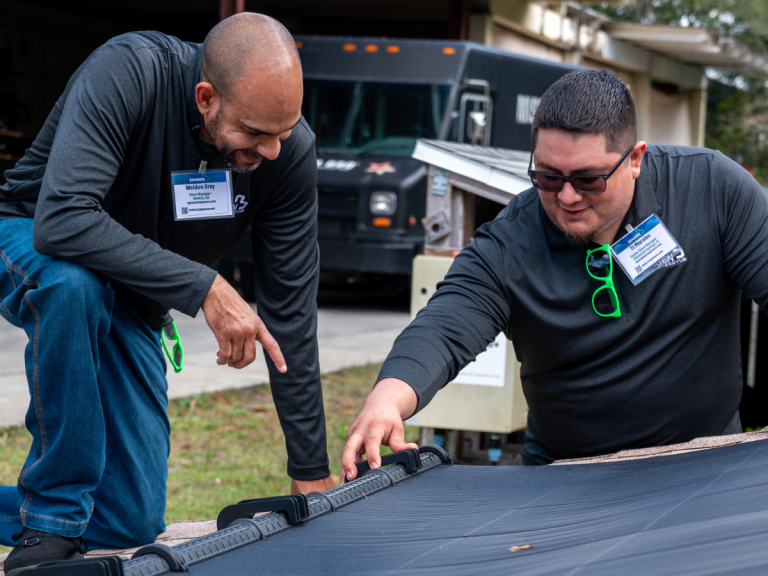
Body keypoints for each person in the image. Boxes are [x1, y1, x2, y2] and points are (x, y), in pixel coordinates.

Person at [0, 13, 333, 572]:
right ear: (206, 98)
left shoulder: (289, 153)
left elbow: (292, 315)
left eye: (284, 130)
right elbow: (62, 220)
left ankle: (54, 517)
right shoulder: (130, 72)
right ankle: (53, 522)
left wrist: (309, 470)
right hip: (29, 235)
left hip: (131, 290)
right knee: (73, 284)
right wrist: (205, 286)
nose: (272, 150)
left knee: (128, 521)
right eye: (256, 132)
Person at [341, 68, 764, 481]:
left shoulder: (713, 189)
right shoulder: (511, 241)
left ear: (634, 159)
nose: (566, 196)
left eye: (587, 179)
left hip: (706, 467)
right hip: (565, 480)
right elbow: (444, 326)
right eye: (546, 176)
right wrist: (387, 400)